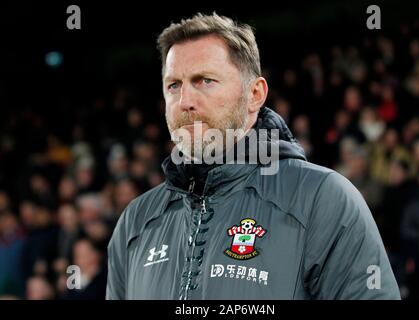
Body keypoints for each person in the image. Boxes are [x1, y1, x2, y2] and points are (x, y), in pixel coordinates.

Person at [106, 13, 400, 300]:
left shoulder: (322, 199)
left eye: (205, 80)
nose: (185, 102)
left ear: (255, 94)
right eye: (174, 85)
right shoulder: (136, 221)